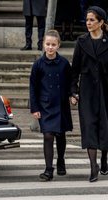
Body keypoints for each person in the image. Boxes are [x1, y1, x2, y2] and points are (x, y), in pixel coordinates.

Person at [70, 6, 108, 182]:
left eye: (92, 20)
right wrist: (73, 91)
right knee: (89, 127)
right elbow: (75, 69)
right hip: (87, 91)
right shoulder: (81, 42)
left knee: (105, 126)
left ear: (101, 22)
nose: (88, 23)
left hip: (106, 91)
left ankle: (104, 159)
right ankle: (93, 166)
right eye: (87, 20)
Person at [30, 30, 73, 181]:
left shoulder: (64, 64)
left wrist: (72, 95)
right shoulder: (38, 65)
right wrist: (34, 108)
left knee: (61, 135)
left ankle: (61, 160)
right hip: (45, 106)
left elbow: (70, 83)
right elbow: (33, 88)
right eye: (47, 44)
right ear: (43, 45)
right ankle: (49, 170)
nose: (50, 47)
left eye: (53, 45)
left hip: (61, 105)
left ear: (58, 45)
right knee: (48, 135)